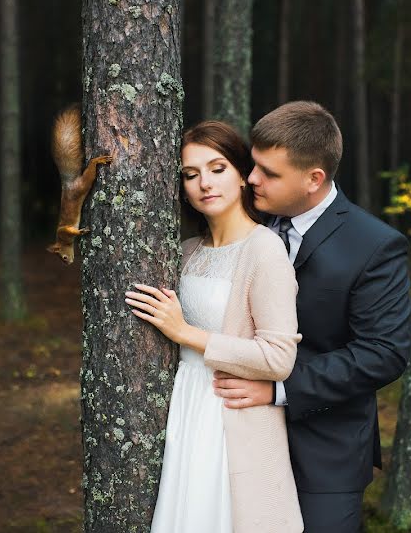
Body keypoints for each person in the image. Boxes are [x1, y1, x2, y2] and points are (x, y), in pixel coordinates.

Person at [212, 101, 411, 532]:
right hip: (232, 436)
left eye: (269, 172)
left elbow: (384, 353)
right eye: (253, 165)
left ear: (313, 179)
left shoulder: (375, 246)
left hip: (327, 451)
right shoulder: (242, 220)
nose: (251, 179)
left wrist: (279, 388)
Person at [125, 120, 304, 533]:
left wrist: (186, 332)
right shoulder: (186, 252)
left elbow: (279, 358)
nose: (205, 182)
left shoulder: (265, 249)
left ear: (243, 175)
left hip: (230, 418)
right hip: (185, 409)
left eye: (218, 168)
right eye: (191, 174)